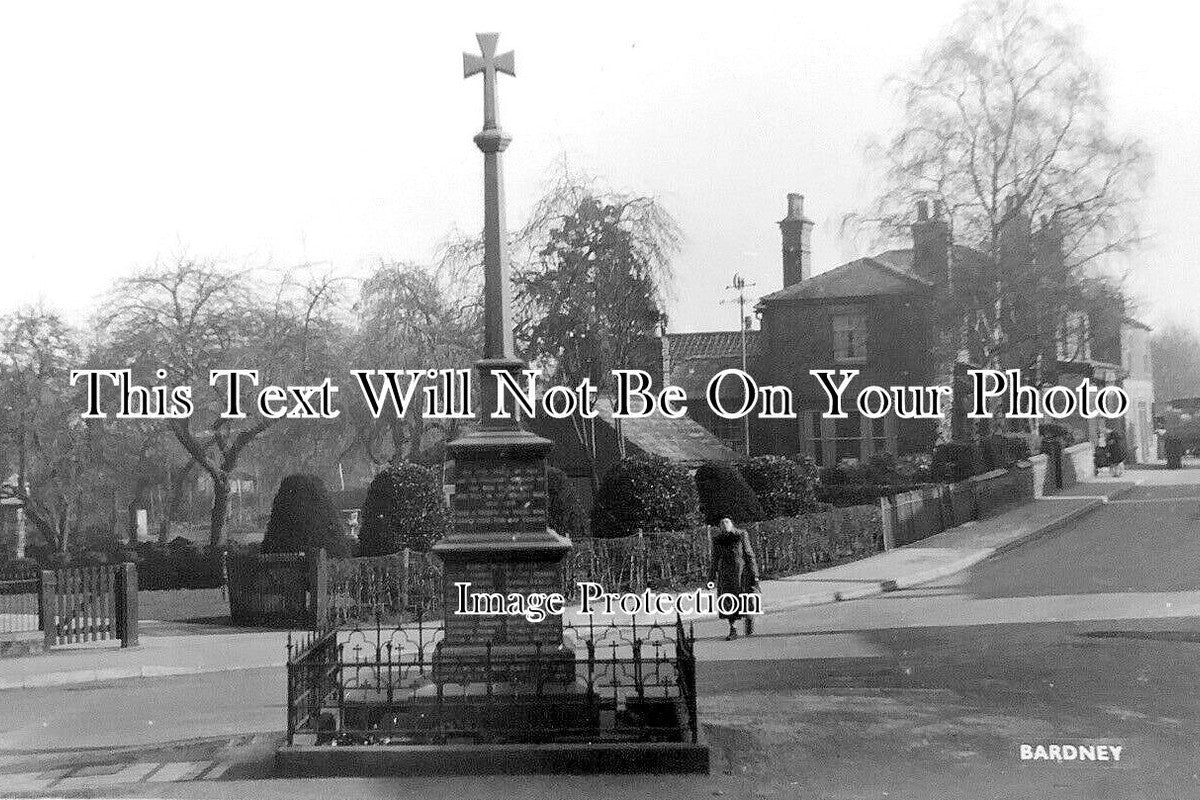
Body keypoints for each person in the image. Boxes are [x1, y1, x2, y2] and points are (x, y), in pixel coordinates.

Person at [708, 517, 760, 640]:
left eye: (727, 522)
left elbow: (749, 554)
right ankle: (733, 629)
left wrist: (755, 574)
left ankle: (749, 617)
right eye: (722, 523)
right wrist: (711, 578)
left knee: (745, 599)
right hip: (725, 575)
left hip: (741, 573)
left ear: (732, 525)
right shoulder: (718, 540)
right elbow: (715, 559)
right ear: (720, 528)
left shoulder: (741, 535)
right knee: (727, 603)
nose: (725, 525)